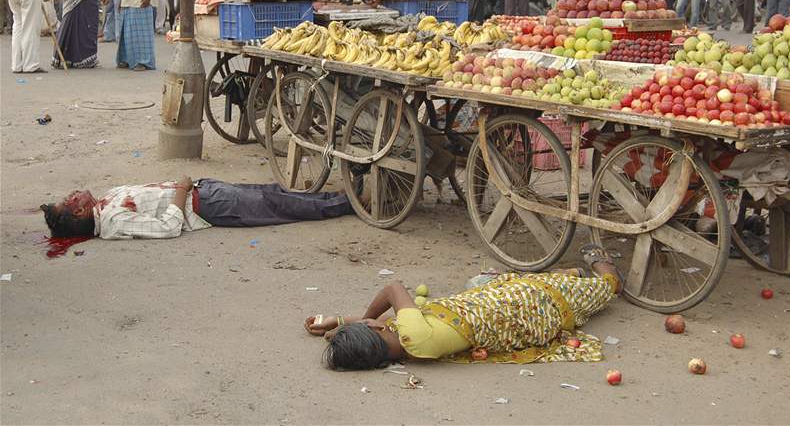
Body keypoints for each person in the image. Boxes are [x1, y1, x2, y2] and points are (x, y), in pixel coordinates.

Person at [307, 246, 622, 370]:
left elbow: (394, 320)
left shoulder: (407, 346)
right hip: (525, 305)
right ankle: (608, 273)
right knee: (596, 292)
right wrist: (363, 317)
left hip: (490, 306)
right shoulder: (413, 334)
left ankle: (569, 277)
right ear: (374, 329)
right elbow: (392, 290)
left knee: (483, 282)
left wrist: (338, 320)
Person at [41, 177, 353, 241]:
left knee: (271, 192)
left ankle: (340, 198)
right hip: (207, 205)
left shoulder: (105, 201)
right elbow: (166, 228)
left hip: (205, 190)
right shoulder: (113, 220)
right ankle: (347, 204)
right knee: (279, 204)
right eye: (71, 199)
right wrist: (180, 191)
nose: (74, 193)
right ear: (80, 213)